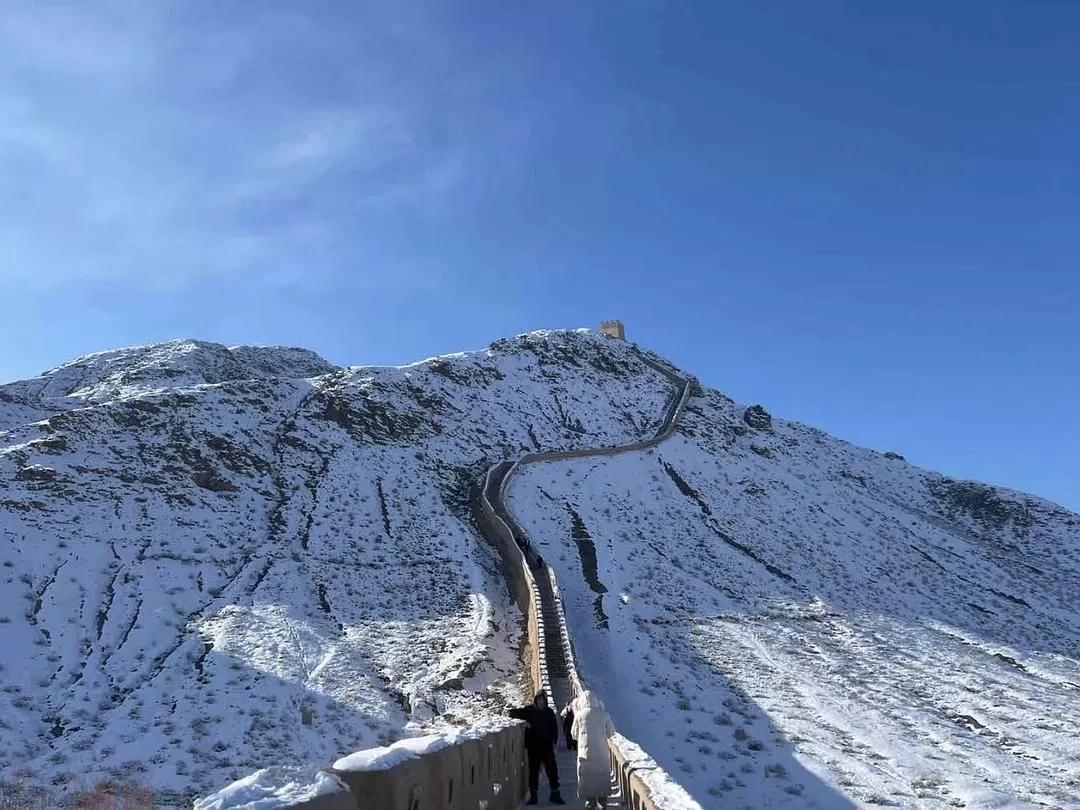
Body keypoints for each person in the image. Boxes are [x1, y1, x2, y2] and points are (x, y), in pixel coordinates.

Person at [508, 691, 565, 805]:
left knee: (552, 770)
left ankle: (555, 794)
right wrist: (509, 712)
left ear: (545, 700)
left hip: (547, 746)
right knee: (533, 772)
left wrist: (554, 742)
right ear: (536, 700)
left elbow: (554, 729)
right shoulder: (530, 710)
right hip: (534, 747)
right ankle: (533, 797)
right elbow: (519, 713)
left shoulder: (549, 712)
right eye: (539, 699)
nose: (540, 701)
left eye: (542, 699)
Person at [570, 690, 614, 809]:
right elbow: (611, 732)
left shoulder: (579, 715)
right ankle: (603, 800)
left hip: (586, 753)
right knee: (602, 775)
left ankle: (591, 801)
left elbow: (573, 734)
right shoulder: (603, 714)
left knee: (588, 776)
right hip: (601, 753)